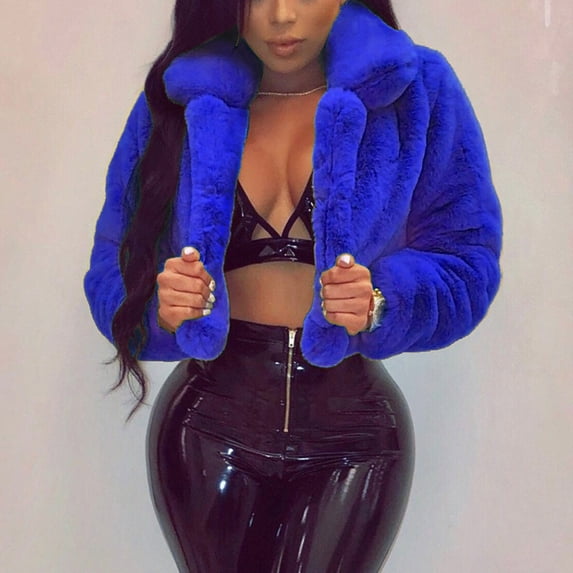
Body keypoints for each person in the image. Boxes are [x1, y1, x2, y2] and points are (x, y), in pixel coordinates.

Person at [84, 0, 503, 571]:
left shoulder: (415, 89)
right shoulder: (183, 94)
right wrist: (161, 307)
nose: (281, 16)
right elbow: (113, 264)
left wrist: (383, 302)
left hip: (355, 433)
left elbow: (467, 258)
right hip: (206, 423)